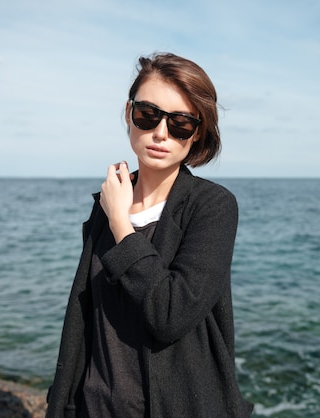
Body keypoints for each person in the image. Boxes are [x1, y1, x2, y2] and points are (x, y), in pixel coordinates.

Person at [46, 52, 253, 418]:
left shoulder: (213, 206)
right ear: (129, 113)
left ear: (198, 132)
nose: (160, 133)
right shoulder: (108, 202)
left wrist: (122, 226)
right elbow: (85, 317)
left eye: (180, 124)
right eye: (148, 114)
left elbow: (170, 314)